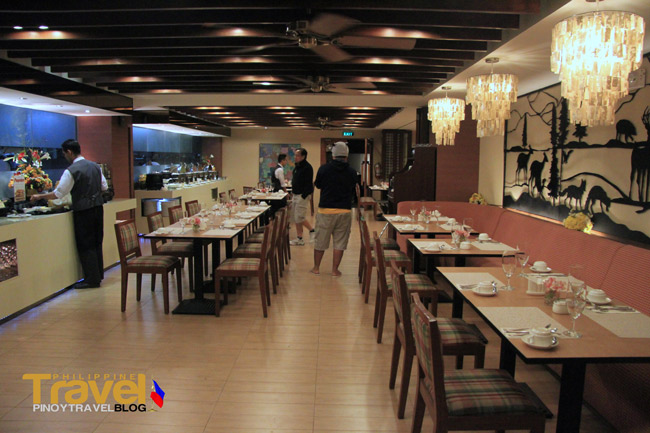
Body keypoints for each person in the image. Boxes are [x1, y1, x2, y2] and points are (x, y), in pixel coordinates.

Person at [32, 139, 108, 289]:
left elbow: (58, 194)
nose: (64, 156)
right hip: (98, 208)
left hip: (83, 211)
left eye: (64, 153)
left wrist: (39, 196)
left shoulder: (71, 170)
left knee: (86, 244)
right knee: (97, 241)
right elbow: (104, 187)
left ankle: (91, 279)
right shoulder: (95, 166)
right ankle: (98, 274)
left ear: (69, 152)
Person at [311, 142, 357, 276]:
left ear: (333, 155)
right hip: (344, 210)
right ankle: (334, 270)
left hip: (325, 210)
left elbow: (318, 185)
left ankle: (316, 268)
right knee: (340, 242)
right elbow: (353, 188)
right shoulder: (352, 172)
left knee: (320, 240)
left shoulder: (324, 169)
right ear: (346, 156)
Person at [289, 148, 314, 246]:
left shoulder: (307, 167)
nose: (295, 157)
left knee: (300, 217)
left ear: (303, 156)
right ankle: (299, 238)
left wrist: (303, 196)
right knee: (296, 218)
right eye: (295, 155)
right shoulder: (297, 166)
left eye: (298, 155)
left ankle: (312, 230)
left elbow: (308, 184)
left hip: (302, 195)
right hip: (295, 194)